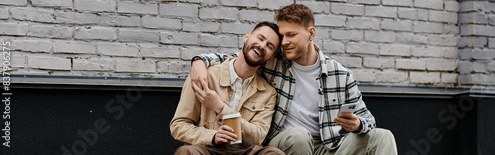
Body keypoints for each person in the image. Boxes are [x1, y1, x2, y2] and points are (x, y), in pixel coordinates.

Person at [190, 4, 398, 155]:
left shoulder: (340, 74)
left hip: (330, 146)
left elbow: (368, 119)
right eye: (282, 36)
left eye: (291, 35)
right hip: (287, 143)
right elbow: (239, 57)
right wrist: (199, 61)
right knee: (299, 135)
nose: (285, 42)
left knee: (383, 136)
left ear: (311, 33)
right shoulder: (275, 61)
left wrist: (358, 124)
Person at [170, 22, 285, 155]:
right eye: (260, 38)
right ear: (246, 37)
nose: (262, 45)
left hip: (245, 150)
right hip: (207, 147)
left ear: (270, 58)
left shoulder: (268, 93)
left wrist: (220, 107)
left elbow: (257, 136)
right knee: (187, 152)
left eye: (270, 46)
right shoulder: (203, 76)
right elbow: (179, 125)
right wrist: (212, 136)